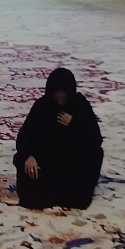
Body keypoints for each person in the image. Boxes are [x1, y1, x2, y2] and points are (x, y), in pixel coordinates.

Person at [13, 68, 103, 210]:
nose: (60, 102)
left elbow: (95, 140)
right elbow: (24, 136)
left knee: (95, 154)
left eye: (63, 98)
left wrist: (74, 124)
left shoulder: (80, 105)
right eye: (57, 98)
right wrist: (29, 156)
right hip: (46, 164)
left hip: (72, 166)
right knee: (21, 161)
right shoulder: (42, 106)